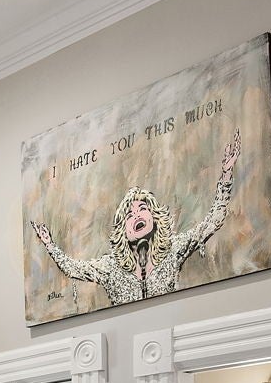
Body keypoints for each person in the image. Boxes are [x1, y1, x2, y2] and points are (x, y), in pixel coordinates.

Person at [31, 131, 240, 305]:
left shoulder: (172, 251)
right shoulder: (111, 267)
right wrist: (49, 244)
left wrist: (226, 174)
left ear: (154, 218)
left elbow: (213, 221)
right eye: (129, 215)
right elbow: (73, 268)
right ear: (123, 231)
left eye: (142, 209)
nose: (137, 215)